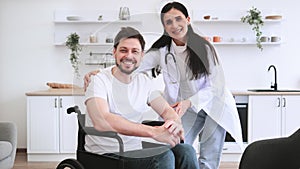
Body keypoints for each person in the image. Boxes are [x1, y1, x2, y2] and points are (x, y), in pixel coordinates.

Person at [84, 2, 244, 168]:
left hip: (214, 103)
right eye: (168, 22)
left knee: (208, 157)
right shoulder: (162, 51)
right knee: (180, 145)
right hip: (185, 107)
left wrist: (184, 106)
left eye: (178, 19)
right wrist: (100, 72)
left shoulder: (205, 48)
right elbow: (132, 62)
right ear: (164, 27)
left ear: (188, 20)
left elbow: (216, 86)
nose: (174, 25)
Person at [84, 26, 199, 169]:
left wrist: (174, 123)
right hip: (105, 154)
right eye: (123, 50)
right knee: (163, 157)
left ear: (142, 55)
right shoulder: (99, 81)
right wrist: (153, 132)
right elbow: (101, 121)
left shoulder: (144, 82)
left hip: (134, 151)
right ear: (114, 52)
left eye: (135, 51)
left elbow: (166, 111)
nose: (129, 56)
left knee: (186, 151)